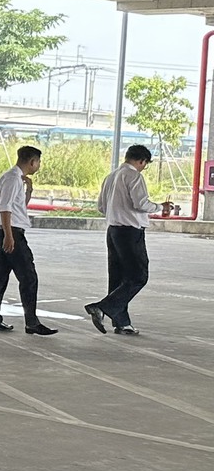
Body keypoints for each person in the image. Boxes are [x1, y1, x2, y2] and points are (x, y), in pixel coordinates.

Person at [0, 145, 57, 336]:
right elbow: (5, 208)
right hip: (11, 233)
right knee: (28, 276)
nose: (39, 166)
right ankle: (31, 322)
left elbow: (18, 209)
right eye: (38, 162)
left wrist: (29, 192)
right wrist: (9, 236)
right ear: (32, 162)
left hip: (8, 230)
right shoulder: (12, 178)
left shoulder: (16, 179)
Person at [86, 143, 154, 336]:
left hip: (113, 231)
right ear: (141, 161)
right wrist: (159, 207)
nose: (143, 167)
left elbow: (101, 206)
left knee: (117, 278)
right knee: (138, 275)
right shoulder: (134, 176)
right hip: (131, 232)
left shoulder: (111, 176)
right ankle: (102, 308)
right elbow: (141, 203)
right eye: (144, 164)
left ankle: (122, 323)